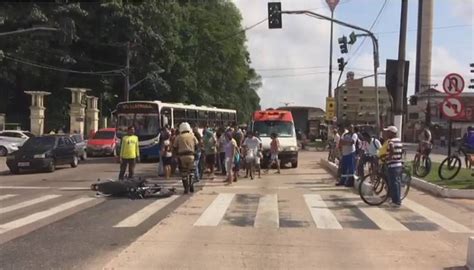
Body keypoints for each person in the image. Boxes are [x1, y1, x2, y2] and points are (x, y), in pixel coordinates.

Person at [378, 126, 404, 208]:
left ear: (392, 133)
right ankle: (397, 199)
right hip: (398, 164)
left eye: (388, 132)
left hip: (393, 165)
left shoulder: (391, 141)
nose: (386, 133)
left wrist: (388, 158)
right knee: (397, 183)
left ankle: (396, 202)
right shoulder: (399, 141)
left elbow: (391, 150)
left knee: (394, 183)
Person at [173, 122, 199, 194]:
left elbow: (175, 147)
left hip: (182, 157)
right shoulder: (192, 136)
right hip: (191, 156)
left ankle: (186, 189)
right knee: (191, 172)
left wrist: (175, 156)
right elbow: (197, 146)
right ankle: (191, 186)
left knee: (184, 173)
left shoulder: (178, 137)